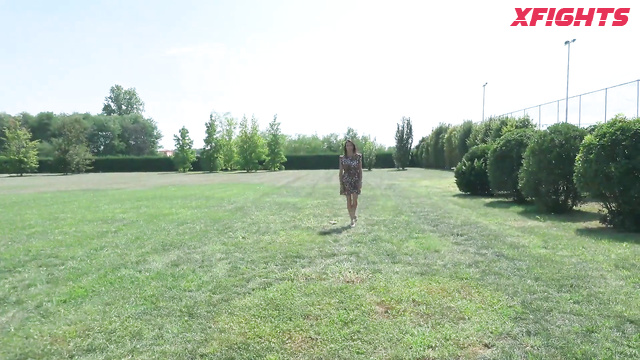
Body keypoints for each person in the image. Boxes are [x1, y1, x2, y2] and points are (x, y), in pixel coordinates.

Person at [339, 139, 363, 227]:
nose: (349, 147)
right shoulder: (342, 158)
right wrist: (341, 183)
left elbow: (360, 170)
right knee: (349, 200)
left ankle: (353, 214)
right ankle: (352, 219)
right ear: (345, 147)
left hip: (356, 180)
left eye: (350, 145)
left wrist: (360, 181)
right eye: (347, 145)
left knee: (355, 200)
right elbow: (341, 171)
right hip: (346, 180)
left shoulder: (358, 157)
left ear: (353, 146)